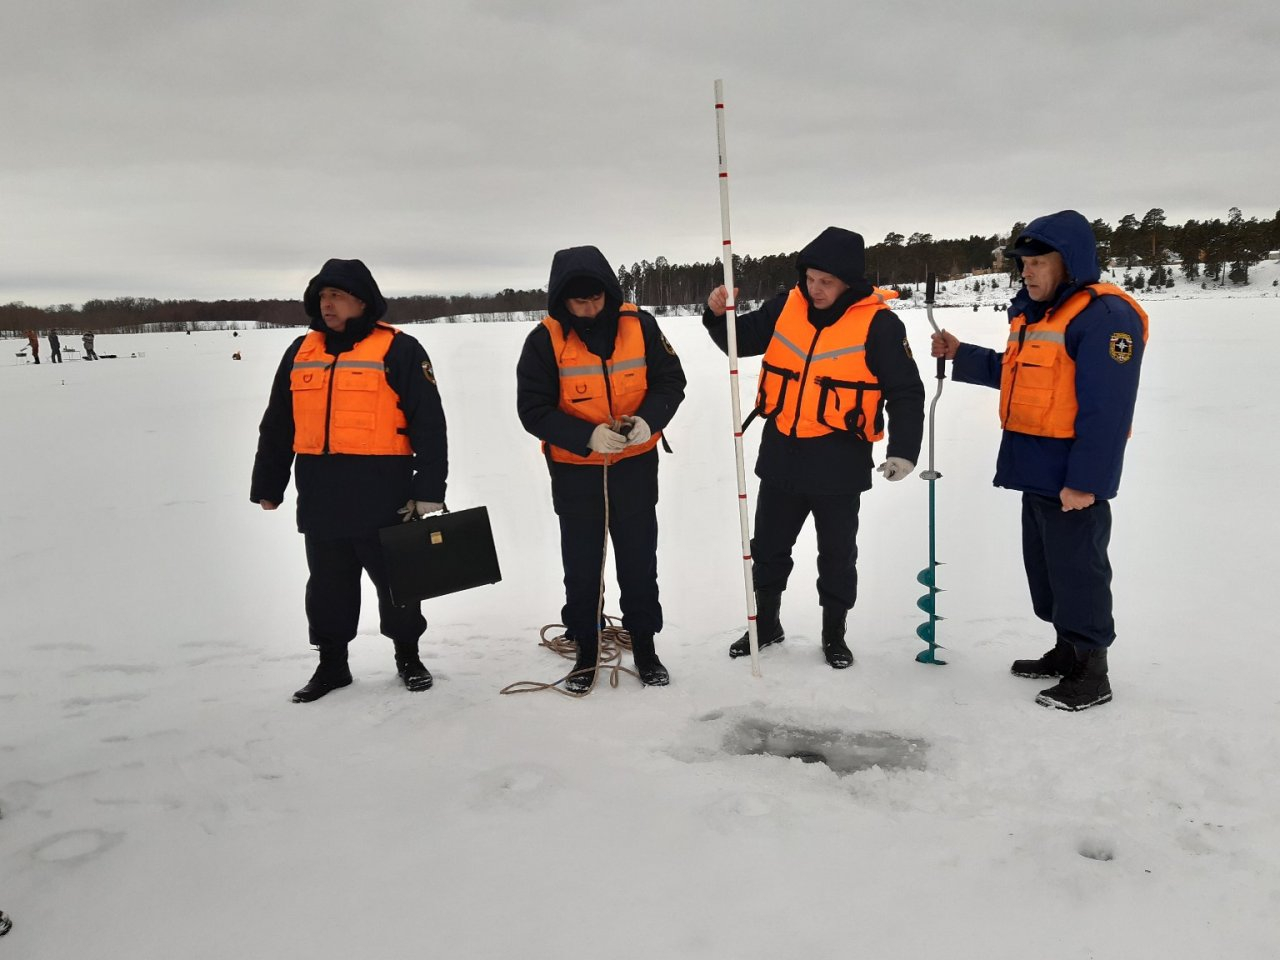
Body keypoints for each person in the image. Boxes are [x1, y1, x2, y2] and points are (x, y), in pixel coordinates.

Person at [930, 210, 1147, 712]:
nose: (1026, 271)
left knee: (1079, 572)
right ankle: (1067, 650)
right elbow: (1019, 375)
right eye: (1022, 262)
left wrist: (1086, 482)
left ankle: (1093, 674)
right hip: (1034, 465)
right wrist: (961, 354)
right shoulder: (1037, 314)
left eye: (1037, 261)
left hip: (1072, 474)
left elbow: (1107, 411)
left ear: (1069, 262)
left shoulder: (1106, 318)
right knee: (1048, 571)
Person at [703, 226, 924, 668]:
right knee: (767, 547)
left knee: (837, 555)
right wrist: (715, 314)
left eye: (827, 282)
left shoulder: (879, 323)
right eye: (811, 278)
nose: (816, 289)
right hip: (783, 449)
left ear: (849, 283)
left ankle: (834, 633)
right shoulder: (787, 305)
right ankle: (766, 624)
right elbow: (739, 340)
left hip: (839, 459)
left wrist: (904, 450)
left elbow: (905, 390)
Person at [250, 259, 449, 703]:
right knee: (327, 588)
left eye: (337, 296)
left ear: (362, 302)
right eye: (322, 297)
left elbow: (430, 425)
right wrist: (268, 483)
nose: (328, 304)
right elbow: (278, 423)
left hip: (386, 492)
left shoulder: (400, 349)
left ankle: (408, 656)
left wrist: (429, 491)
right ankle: (332, 665)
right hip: (320, 492)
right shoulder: (300, 352)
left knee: (399, 584)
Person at [517, 246, 686, 691]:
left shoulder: (641, 325)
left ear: (609, 293)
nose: (590, 309)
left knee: (638, 561)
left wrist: (649, 419)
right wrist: (585, 436)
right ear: (562, 302)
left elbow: (672, 380)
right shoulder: (544, 340)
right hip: (576, 474)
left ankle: (646, 647)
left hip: (635, 468)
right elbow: (532, 409)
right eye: (579, 302)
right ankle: (586, 652)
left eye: (596, 299)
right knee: (582, 564)